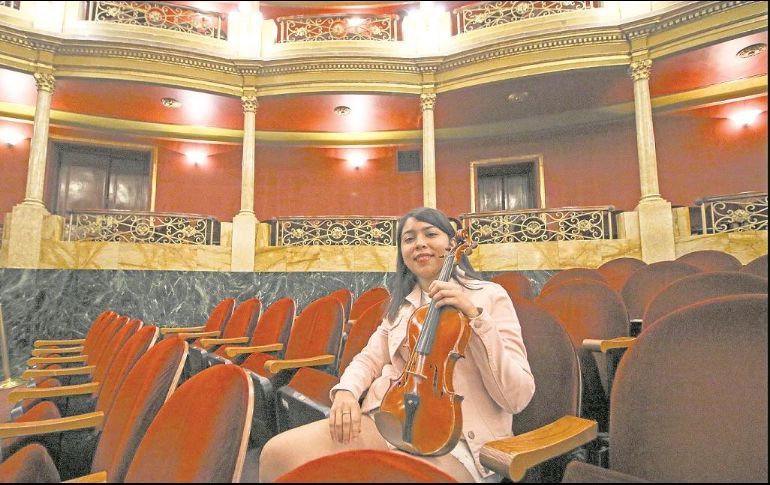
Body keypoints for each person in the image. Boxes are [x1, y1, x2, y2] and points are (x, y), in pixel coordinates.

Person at [259, 207, 535, 482]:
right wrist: (346, 391)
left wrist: (474, 317)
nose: (420, 244)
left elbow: (517, 396)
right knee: (278, 454)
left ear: (452, 243)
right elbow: (369, 358)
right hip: (392, 421)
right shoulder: (401, 306)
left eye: (431, 234)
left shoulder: (489, 296)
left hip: (460, 440)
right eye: (409, 238)